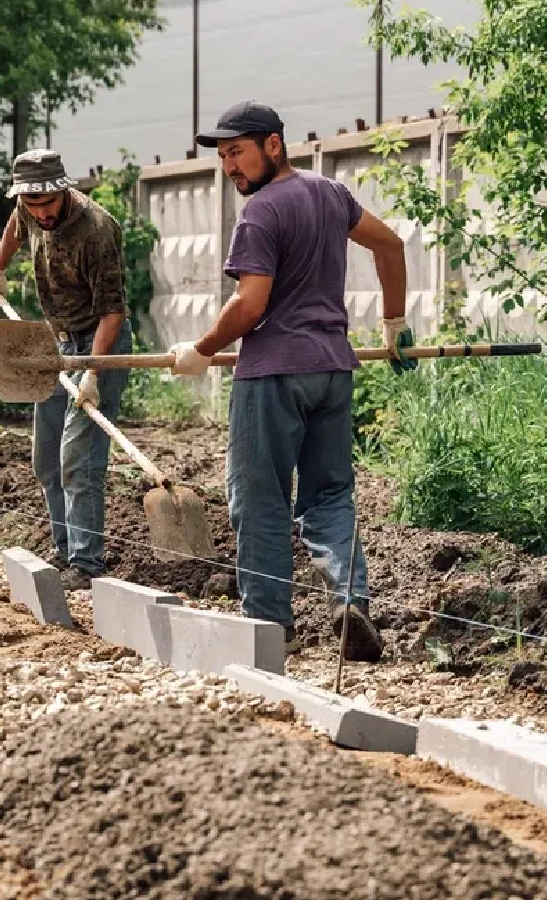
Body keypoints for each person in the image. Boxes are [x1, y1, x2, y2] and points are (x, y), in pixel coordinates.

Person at [168, 101, 412, 660]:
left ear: (273, 145)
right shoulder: (331, 195)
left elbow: (250, 303)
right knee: (330, 497)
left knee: (261, 502)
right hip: (332, 369)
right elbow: (391, 244)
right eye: (224, 156)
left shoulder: (260, 215)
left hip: (275, 374)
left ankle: (267, 629)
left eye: (237, 152)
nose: (230, 166)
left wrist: (202, 351)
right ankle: (350, 600)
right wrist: (394, 323)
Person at [0, 149, 132, 590]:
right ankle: (65, 554)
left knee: (78, 459)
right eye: (33, 205)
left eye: (47, 204)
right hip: (54, 340)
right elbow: (15, 225)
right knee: (46, 457)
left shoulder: (96, 230)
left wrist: (94, 372)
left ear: (63, 190)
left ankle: (86, 564)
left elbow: (113, 311)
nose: (41, 214)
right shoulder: (28, 208)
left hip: (98, 344)